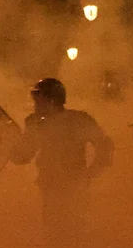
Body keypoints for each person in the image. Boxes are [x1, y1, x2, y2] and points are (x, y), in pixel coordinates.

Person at [11, 78, 113, 234]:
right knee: (54, 229)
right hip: (51, 185)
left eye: (39, 100)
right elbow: (21, 157)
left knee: (73, 227)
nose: (35, 104)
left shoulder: (77, 120)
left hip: (74, 185)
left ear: (52, 100)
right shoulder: (37, 124)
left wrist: (94, 170)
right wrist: (10, 140)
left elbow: (104, 144)